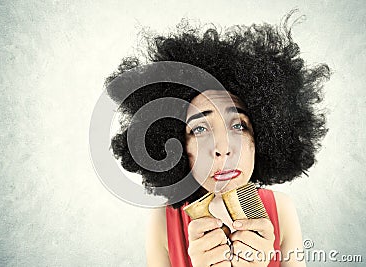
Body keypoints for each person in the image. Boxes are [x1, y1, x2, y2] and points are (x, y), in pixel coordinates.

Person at [105, 13, 330, 267]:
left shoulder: (282, 209)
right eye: (200, 129)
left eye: (238, 125)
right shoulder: (162, 222)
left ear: (262, 137)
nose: (223, 149)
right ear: (178, 146)